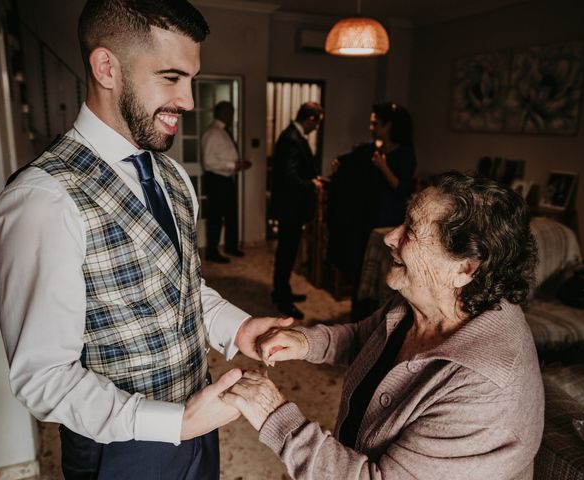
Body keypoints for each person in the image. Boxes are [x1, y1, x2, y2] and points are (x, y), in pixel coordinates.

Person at [0, 1, 292, 478]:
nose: (188, 101)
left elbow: (179, 287)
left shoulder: (172, 175)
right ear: (107, 67)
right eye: (170, 78)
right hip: (119, 451)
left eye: (191, 79)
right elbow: (42, 378)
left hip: (198, 424)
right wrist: (175, 422)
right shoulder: (43, 199)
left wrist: (238, 329)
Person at [224, 172, 544, 479]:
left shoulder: (486, 392)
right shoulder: (423, 303)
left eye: (411, 230)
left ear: (465, 269)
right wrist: (307, 342)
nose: (390, 237)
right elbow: (368, 337)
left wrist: (273, 415)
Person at [328, 102, 416, 320]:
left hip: (389, 218)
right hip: (367, 216)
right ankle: (359, 316)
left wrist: (382, 166)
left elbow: (402, 188)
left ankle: (380, 319)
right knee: (362, 266)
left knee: (384, 272)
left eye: (375, 123)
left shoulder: (405, 153)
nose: (372, 127)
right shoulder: (376, 149)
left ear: (389, 126)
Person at [270, 102, 324, 320]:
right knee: (286, 253)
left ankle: (281, 291)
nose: (316, 128)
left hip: (290, 208)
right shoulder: (291, 138)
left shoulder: (293, 135)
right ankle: (283, 300)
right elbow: (289, 177)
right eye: (317, 123)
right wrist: (312, 184)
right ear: (310, 119)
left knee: (287, 251)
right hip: (289, 208)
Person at [201, 101, 251, 263]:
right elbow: (208, 161)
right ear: (222, 113)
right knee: (216, 216)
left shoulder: (223, 131)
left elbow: (222, 156)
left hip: (226, 179)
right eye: (230, 112)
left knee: (231, 215)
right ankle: (212, 251)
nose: (232, 115)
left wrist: (238, 165)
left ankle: (231, 246)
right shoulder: (213, 133)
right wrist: (233, 165)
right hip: (216, 180)